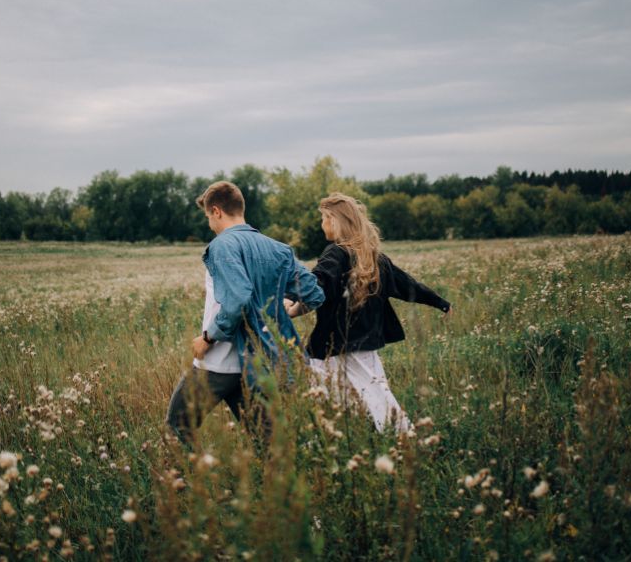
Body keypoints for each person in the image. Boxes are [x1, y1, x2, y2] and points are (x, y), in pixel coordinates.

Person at [166, 181, 325, 445]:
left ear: (216, 211)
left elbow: (238, 299)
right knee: (269, 442)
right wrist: (288, 310)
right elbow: (314, 294)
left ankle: (188, 484)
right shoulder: (278, 248)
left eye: (208, 217)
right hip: (261, 363)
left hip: (219, 359)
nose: (209, 224)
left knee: (178, 425)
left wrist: (207, 338)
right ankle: (281, 485)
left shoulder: (222, 246)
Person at [285, 193, 451, 433]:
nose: (322, 225)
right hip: (354, 342)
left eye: (323, 218)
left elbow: (318, 283)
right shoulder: (374, 257)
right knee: (331, 394)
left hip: (339, 342)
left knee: (375, 397)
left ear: (334, 220)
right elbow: (409, 286)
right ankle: (341, 438)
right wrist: (441, 303)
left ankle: (406, 440)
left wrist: (289, 297)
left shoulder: (336, 253)